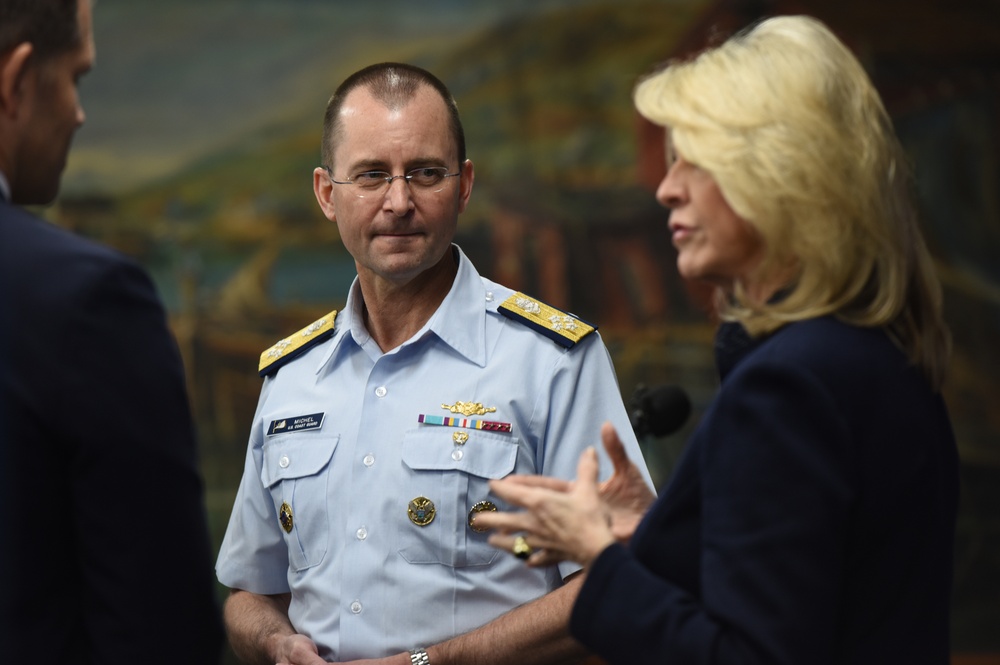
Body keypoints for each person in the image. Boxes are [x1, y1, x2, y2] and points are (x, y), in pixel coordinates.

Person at [476, 15, 959, 665]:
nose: (666, 187)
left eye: (692, 162)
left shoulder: (786, 388)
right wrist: (662, 531)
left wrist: (601, 559)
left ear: (779, 174)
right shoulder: (875, 355)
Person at [215, 62, 652, 665]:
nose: (398, 202)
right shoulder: (291, 376)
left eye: (424, 173)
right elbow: (250, 590)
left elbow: (615, 584)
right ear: (325, 193)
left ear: (464, 185)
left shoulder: (550, 361)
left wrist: (436, 663)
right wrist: (271, 641)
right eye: (370, 176)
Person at [0, 1, 225, 663]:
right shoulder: (85, 301)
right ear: (16, 82)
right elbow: (162, 633)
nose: (77, 112)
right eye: (77, 77)